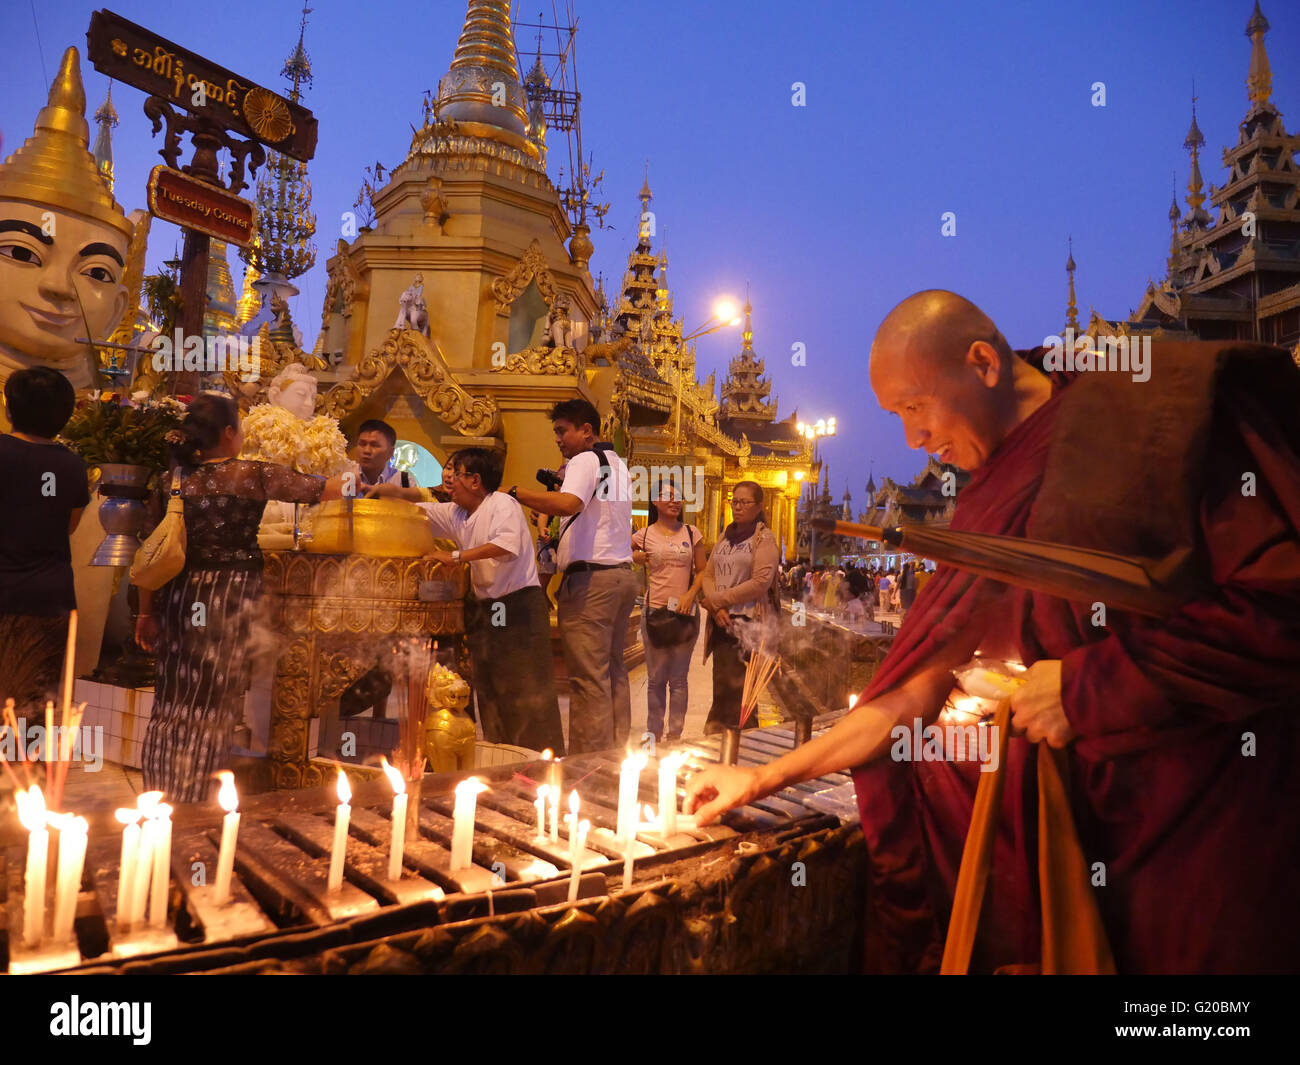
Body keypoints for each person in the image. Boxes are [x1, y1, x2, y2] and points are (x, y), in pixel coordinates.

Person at [686, 289, 1300, 975]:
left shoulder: (1155, 413)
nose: (914, 440)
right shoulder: (991, 494)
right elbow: (910, 697)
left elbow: (1281, 606)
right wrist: (760, 778)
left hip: (1211, 828)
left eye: (915, 409)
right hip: (1081, 835)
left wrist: (1086, 687)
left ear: (982, 362)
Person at [136, 394, 349, 802]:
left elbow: (149, 552)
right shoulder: (252, 475)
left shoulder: (173, 481)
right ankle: (196, 797)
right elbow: (325, 490)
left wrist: (146, 614)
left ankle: (161, 793)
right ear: (231, 433)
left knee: (173, 699)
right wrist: (379, 487)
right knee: (214, 701)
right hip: (229, 599)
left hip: (181, 597)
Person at [412, 448, 564, 753]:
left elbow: (505, 546)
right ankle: (500, 758)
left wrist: (455, 556)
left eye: (456, 473)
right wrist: (370, 490)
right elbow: (417, 510)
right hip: (487, 609)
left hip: (518, 607)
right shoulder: (458, 513)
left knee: (527, 692)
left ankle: (539, 767)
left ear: (475, 480)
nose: (449, 479)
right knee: (491, 690)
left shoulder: (502, 504)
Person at [507, 399, 636, 753]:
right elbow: (594, 512)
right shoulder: (617, 464)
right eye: (555, 433)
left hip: (592, 583)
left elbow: (569, 505)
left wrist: (518, 494)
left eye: (563, 431)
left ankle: (586, 766)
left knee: (588, 680)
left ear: (586, 431)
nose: (558, 440)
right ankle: (614, 755)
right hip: (620, 578)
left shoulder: (584, 459)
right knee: (612, 672)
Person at [0, 368, 90, 715]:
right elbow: (68, 525)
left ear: (10, 408)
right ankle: (32, 769)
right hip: (51, 599)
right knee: (39, 706)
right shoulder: (72, 466)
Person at [700, 480, 779, 735]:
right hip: (722, 622)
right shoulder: (725, 536)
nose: (737, 506)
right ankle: (718, 746)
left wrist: (718, 601)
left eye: (744, 502)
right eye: (734, 501)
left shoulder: (763, 538)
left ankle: (743, 749)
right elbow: (708, 575)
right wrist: (716, 608)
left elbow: (760, 582)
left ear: (759, 506)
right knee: (722, 690)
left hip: (748, 626)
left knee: (741, 697)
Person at [632, 482, 707, 743]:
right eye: (667, 496)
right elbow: (620, 552)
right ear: (654, 502)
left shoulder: (691, 532)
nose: (675, 501)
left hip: (685, 611)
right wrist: (635, 557)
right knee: (655, 678)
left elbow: (703, 571)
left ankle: (675, 734)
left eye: (678, 497)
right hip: (654, 611)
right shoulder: (643, 535)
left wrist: (690, 595)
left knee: (678, 679)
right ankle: (653, 733)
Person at [354, 419, 420, 493]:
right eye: (362, 444)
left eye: (374, 445)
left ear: (390, 452)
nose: (367, 450)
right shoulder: (346, 478)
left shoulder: (404, 482)